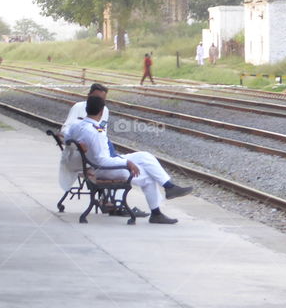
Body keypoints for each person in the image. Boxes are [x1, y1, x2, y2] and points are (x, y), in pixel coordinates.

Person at [64, 96, 192, 224]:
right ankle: (156, 213)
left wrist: (77, 145)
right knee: (148, 177)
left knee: (145, 156)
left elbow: (66, 139)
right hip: (104, 169)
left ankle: (169, 186)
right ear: (102, 111)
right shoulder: (95, 132)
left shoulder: (77, 126)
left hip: (101, 163)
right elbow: (102, 161)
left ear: (87, 109)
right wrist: (126, 163)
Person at [59, 85, 147, 218]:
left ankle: (113, 202)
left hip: (95, 152)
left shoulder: (99, 114)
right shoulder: (79, 109)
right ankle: (116, 203)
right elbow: (65, 131)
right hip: (87, 159)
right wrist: (76, 145)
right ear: (89, 96)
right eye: (97, 97)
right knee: (136, 171)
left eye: (103, 98)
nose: (101, 100)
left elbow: (100, 134)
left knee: (129, 160)